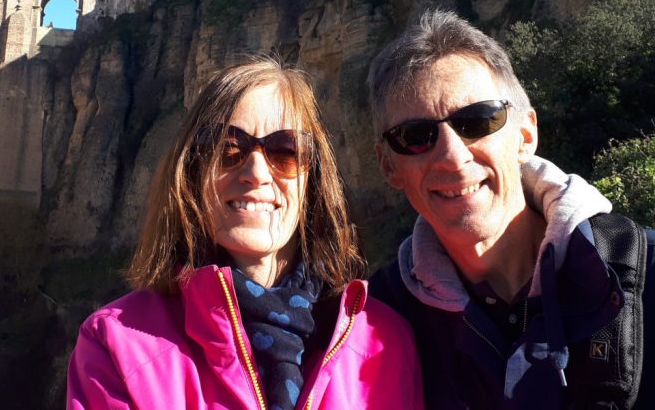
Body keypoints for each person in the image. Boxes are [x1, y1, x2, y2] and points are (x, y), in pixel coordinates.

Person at [367, 10, 655, 408]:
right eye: (415, 136)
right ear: (389, 166)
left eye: (477, 120)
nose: (452, 156)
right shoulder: (375, 328)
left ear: (525, 135)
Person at [67, 57, 423, 410]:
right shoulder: (117, 345)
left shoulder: (385, 340)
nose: (256, 172)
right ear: (191, 173)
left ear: (314, 180)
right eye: (227, 149)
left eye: (285, 151)